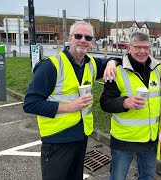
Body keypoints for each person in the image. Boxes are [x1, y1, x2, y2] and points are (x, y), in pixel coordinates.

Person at [23, 21, 119, 180]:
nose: (83, 40)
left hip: (81, 137)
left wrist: (110, 63)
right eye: (78, 36)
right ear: (70, 38)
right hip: (57, 140)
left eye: (88, 37)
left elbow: (116, 58)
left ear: (92, 41)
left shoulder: (91, 63)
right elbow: (30, 104)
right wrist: (70, 107)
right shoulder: (51, 66)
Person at [100, 31, 161, 180]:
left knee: (147, 177)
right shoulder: (116, 71)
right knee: (117, 177)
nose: (142, 51)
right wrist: (125, 102)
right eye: (138, 47)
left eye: (146, 47)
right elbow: (105, 103)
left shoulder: (158, 68)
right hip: (124, 140)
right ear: (128, 47)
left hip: (149, 139)